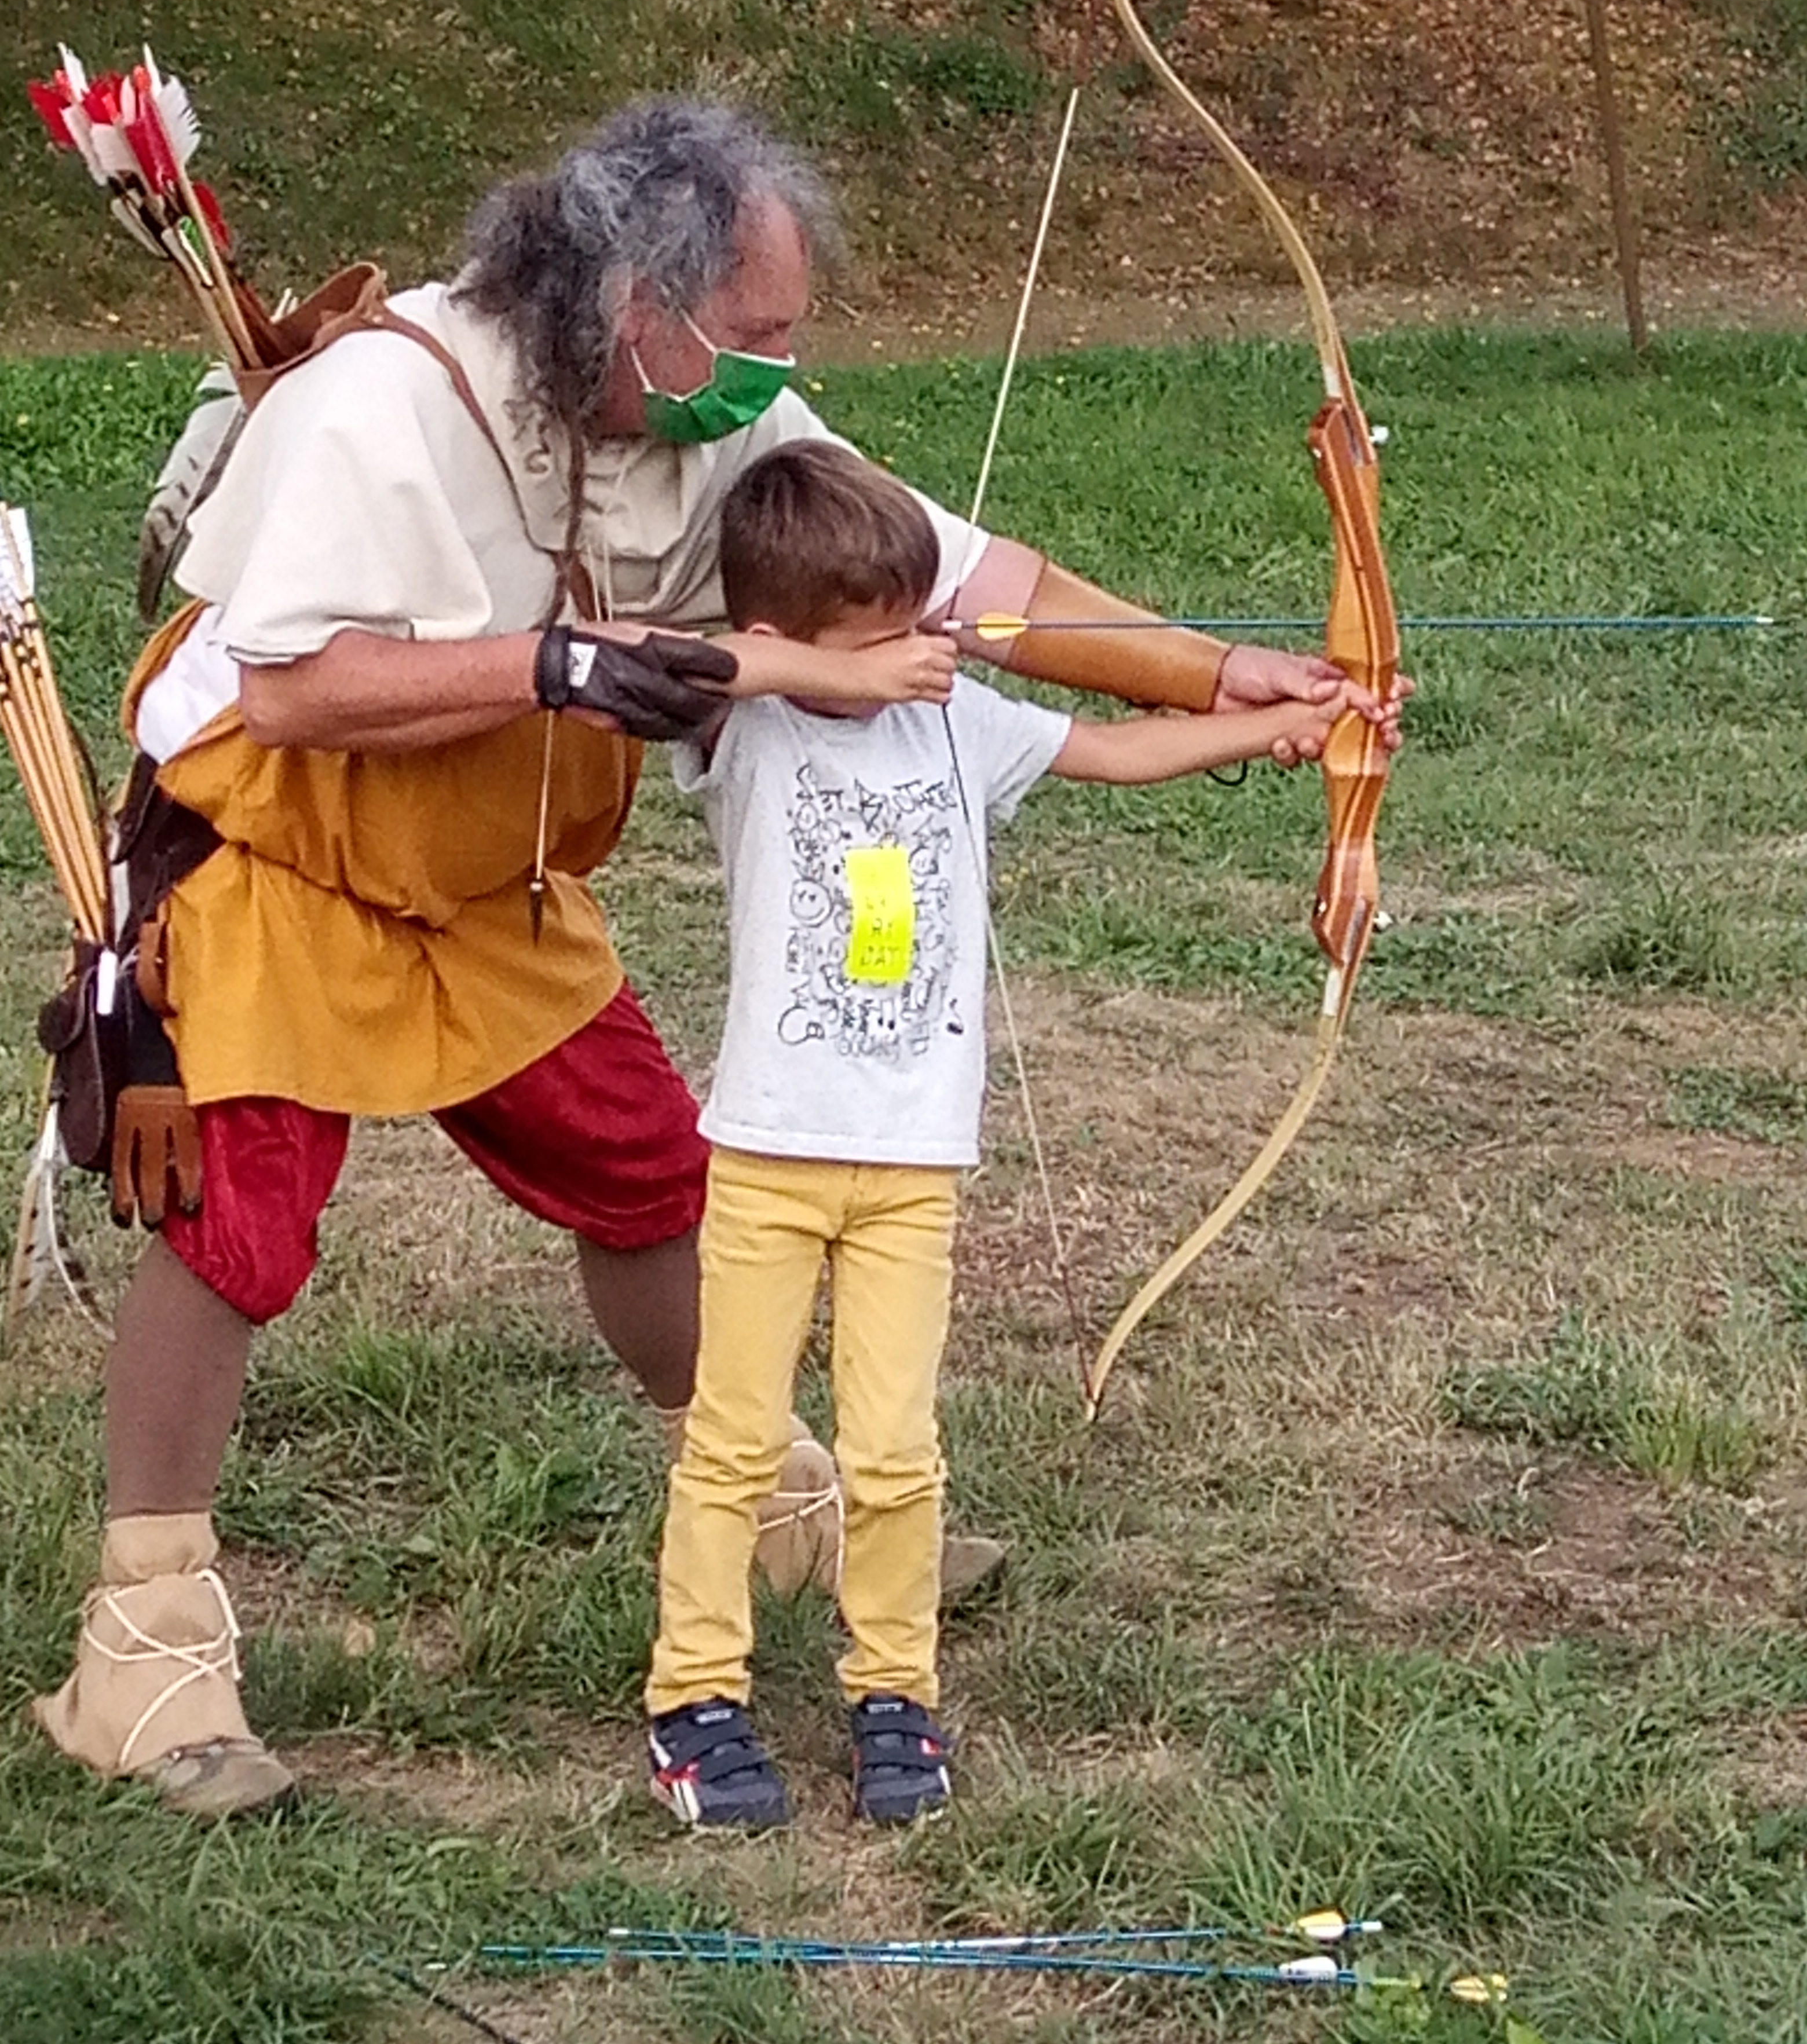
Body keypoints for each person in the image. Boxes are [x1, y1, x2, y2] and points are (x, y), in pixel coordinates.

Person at [34, 96, 1402, 1818]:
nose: (780, 365)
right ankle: (146, 1662)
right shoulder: (392, 401)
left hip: (494, 877)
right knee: (237, 1227)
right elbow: (296, 684)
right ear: (636, 308)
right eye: (757, 333)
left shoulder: (711, 416)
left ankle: (771, 1504)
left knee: (651, 1177)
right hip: (288, 853)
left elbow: (967, 588)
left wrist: (1221, 676)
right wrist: (566, 664)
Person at [644, 442, 1355, 1828]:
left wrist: (1276, 727)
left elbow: (1113, 749)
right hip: (771, 1158)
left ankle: (894, 1694)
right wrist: (822, 672)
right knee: (732, 1441)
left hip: (913, 1167)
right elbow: (676, 669)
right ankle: (695, 1699)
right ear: (787, 641)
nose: (925, 647)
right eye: (886, 636)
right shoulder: (747, 725)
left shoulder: (957, 719)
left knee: (899, 1453)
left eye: (926, 617)